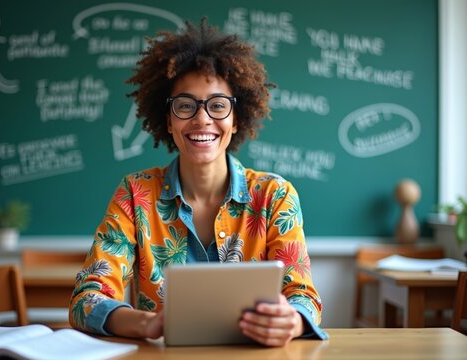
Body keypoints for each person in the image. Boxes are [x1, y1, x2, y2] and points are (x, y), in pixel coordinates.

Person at [69, 17, 327, 346]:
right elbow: (87, 297)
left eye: (218, 106)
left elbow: (303, 295)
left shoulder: (275, 195)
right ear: (167, 119)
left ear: (237, 120)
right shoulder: (135, 194)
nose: (202, 118)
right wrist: (146, 323)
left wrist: (291, 321)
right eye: (185, 105)